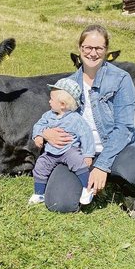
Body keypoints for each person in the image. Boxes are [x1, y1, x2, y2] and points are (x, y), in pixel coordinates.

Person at [41, 25, 135, 219]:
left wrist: (101, 165)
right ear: (80, 49)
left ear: (106, 51)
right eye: (88, 47)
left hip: (118, 150)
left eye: (99, 48)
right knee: (58, 203)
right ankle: (89, 182)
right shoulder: (69, 83)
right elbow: (55, 114)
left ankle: (129, 193)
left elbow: (124, 128)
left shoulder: (121, 79)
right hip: (80, 153)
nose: (92, 53)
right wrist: (45, 133)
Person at [29, 78, 97, 206]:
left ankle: (87, 188)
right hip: (51, 151)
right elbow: (38, 125)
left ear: (63, 104)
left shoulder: (76, 120)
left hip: (69, 150)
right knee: (40, 167)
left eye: (51, 99)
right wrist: (38, 135)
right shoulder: (48, 115)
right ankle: (39, 193)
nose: (49, 101)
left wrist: (88, 154)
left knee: (79, 163)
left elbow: (86, 136)